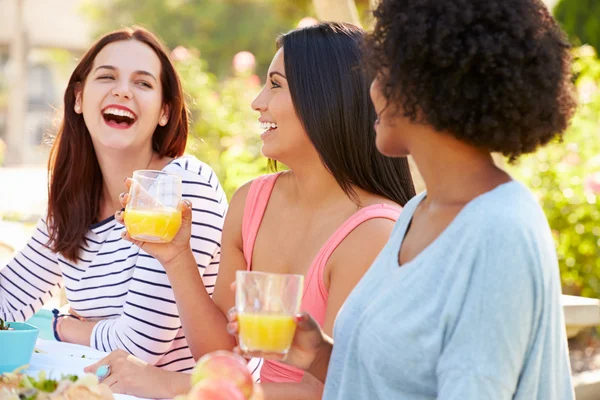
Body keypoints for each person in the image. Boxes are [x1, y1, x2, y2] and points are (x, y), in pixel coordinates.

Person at [228, 0, 578, 399]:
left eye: (383, 72)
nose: (371, 90)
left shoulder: (500, 231)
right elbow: (399, 379)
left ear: (429, 83)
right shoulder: (418, 212)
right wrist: (320, 354)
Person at [85, 22, 416, 399]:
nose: (257, 101)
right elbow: (221, 355)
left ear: (326, 97)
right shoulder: (252, 201)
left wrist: (171, 384)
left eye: (275, 84)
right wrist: (177, 257)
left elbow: (330, 389)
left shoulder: (373, 232)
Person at [0, 27, 226, 373]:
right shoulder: (72, 201)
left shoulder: (180, 187)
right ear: (78, 97)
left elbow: (140, 344)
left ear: (165, 111)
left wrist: (64, 326)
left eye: (143, 83)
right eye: (107, 77)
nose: (122, 91)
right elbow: (9, 296)